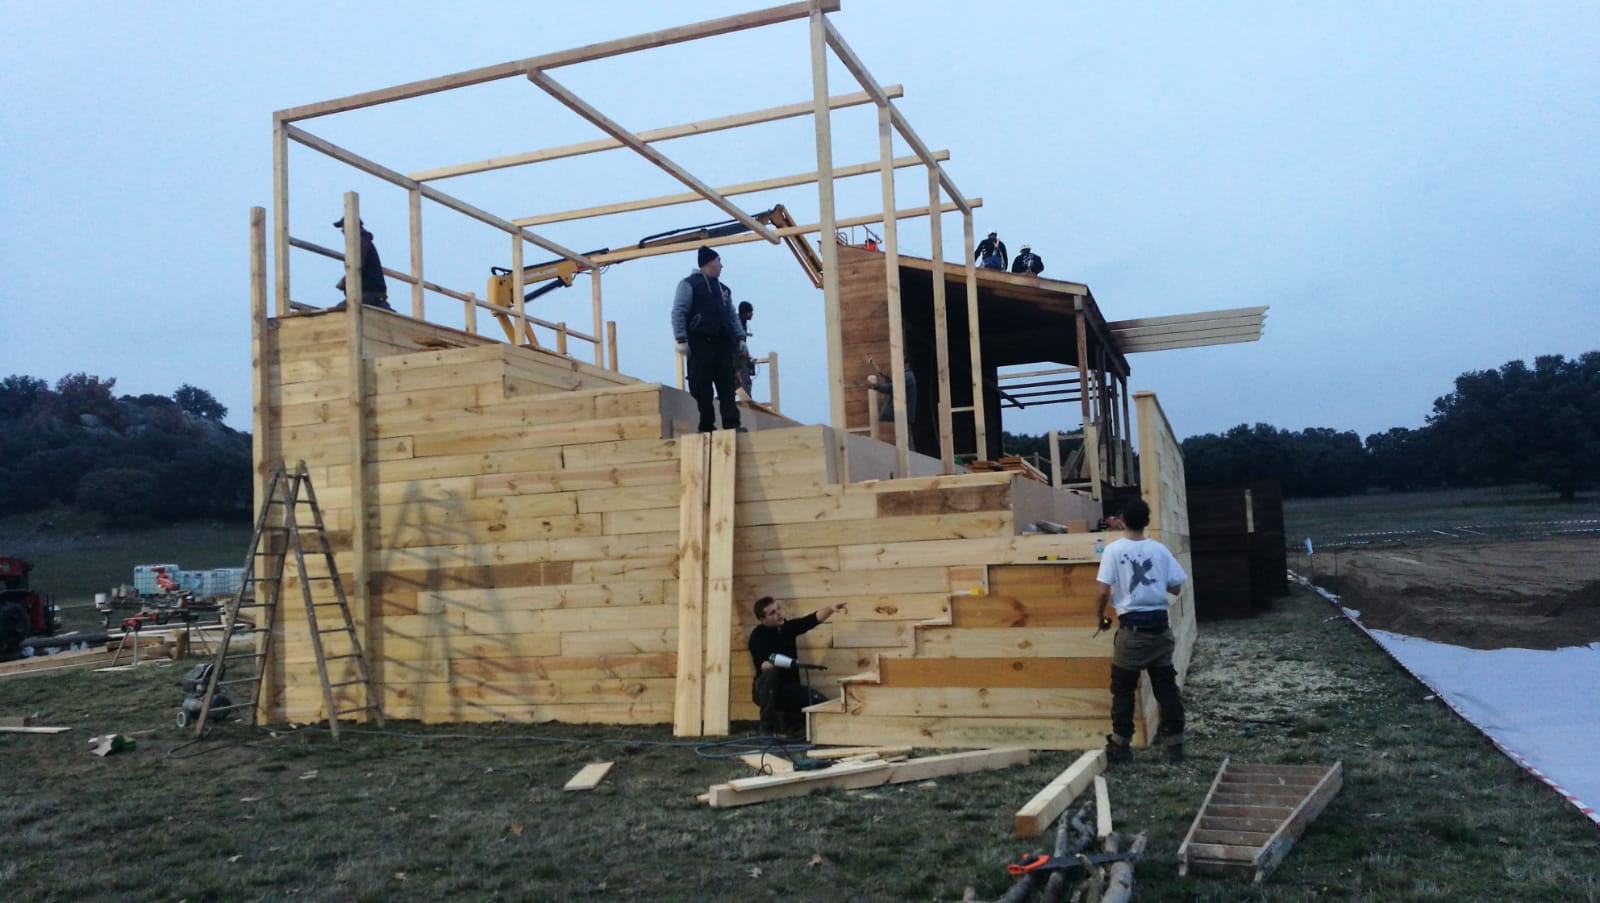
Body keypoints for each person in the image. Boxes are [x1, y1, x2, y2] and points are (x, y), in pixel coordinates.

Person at [1093, 497, 1189, 764]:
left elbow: (1102, 591)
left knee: (1123, 689)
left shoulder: (1113, 550)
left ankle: (1121, 746)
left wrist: (1099, 616)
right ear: (1147, 522)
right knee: (1166, 688)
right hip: (1159, 628)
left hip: (1132, 631)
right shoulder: (1159, 550)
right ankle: (1175, 747)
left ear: (1122, 520)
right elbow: (1176, 587)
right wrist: (1155, 586)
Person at [748, 596, 847, 735]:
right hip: (765, 691)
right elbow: (763, 665)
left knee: (818, 701)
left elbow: (812, 619)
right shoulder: (757, 636)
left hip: (788, 689)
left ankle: (787, 717)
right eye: (772, 613)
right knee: (771, 675)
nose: (779, 614)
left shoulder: (788, 628)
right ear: (762, 619)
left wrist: (831, 609)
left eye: (778, 610)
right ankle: (766, 730)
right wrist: (783, 663)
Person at [670, 246, 745, 432]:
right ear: (709, 263)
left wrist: (740, 338)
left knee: (727, 385)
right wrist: (681, 339)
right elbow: (679, 311)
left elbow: (731, 315)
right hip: (700, 343)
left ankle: (731, 424)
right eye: (719, 261)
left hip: (722, 344)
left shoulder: (723, 290)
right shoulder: (690, 284)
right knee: (702, 387)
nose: (721, 265)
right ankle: (707, 426)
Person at [332, 217, 393, 310]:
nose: (342, 231)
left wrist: (344, 281)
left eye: (344, 227)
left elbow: (357, 264)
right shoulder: (362, 242)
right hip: (372, 293)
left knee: (340, 312)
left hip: (370, 293)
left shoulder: (361, 242)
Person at [735, 301, 757, 398]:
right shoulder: (736, 322)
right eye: (750, 312)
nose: (752, 314)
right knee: (745, 380)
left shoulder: (741, 322)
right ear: (745, 312)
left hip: (738, 354)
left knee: (734, 382)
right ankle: (747, 400)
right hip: (735, 356)